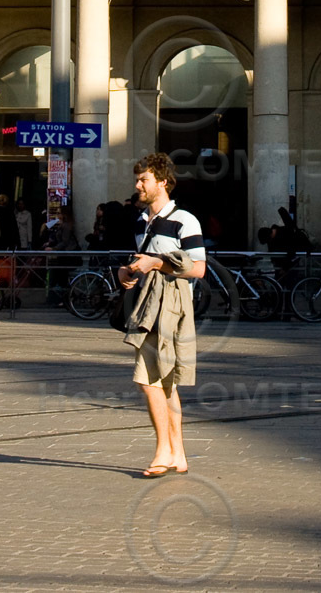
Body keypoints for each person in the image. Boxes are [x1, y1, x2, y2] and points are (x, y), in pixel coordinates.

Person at [118, 152, 206, 479]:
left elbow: (198, 268)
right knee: (165, 383)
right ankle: (178, 453)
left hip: (171, 307)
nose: (137, 185)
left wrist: (155, 263)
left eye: (144, 180)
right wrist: (126, 270)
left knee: (148, 381)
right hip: (147, 303)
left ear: (163, 183)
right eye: (138, 179)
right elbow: (140, 259)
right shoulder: (143, 221)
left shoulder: (185, 220)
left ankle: (163, 450)